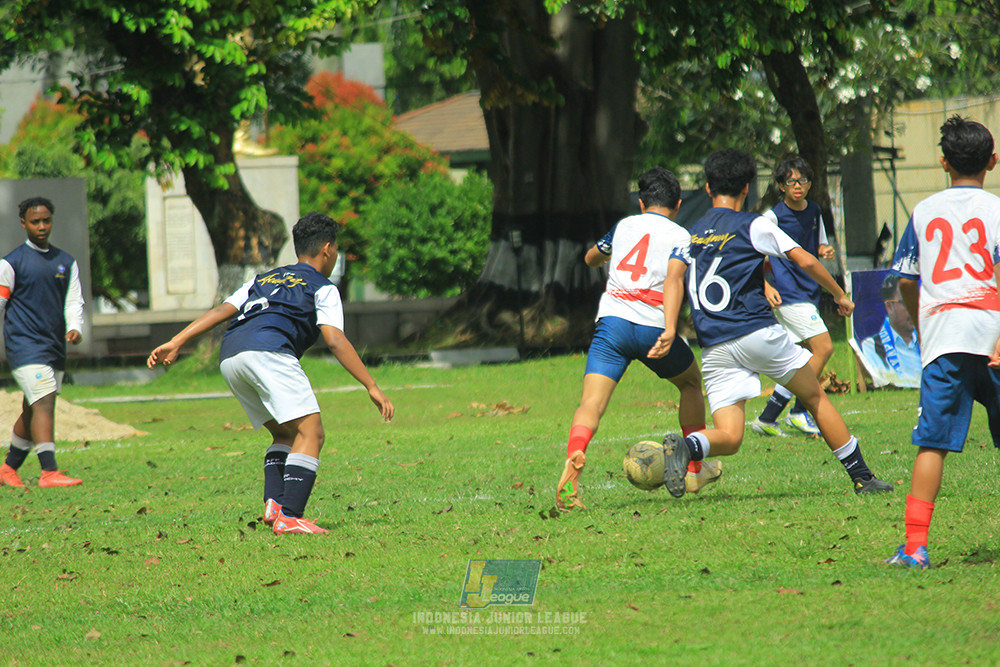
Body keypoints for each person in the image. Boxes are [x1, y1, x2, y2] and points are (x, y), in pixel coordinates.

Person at [648, 149, 894, 497]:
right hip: (756, 333)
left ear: (707, 188)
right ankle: (863, 477)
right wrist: (839, 294)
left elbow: (673, 279)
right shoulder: (753, 225)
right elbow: (805, 260)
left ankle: (688, 447)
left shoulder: (690, 234)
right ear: (746, 188)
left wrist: (671, 328)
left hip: (715, 346)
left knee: (730, 436)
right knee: (814, 397)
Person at [147, 212, 394, 534]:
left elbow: (223, 310)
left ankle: (275, 504)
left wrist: (177, 341)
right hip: (269, 352)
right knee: (312, 433)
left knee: (284, 433)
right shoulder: (323, 287)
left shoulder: (265, 278)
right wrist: (371, 385)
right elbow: (334, 339)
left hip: (231, 355)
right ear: (328, 249)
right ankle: (290, 516)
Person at [554, 167, 720, 511]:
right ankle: (693, 469)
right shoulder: (681, 234)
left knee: (591, 404)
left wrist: (603, 255)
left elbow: (590, 257)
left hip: (612, 326)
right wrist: (671, 327)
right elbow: (674, 280)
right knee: (690, 384)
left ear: (641, 202)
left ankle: (572, 471)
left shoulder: (624, 226)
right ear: (678, 204)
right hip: (653, 327)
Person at [885, 116, 1000, 568]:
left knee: (932, 443)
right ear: (993, 161)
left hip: (945, 341)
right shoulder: (996, 210)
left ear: (943, 162)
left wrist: (921, 322)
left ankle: (915, 547)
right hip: (993, 337)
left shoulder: (924, 211)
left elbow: (906, 279)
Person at [0, 197, 85, 489]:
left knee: (32, 408)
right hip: (25, 346)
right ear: (23, 223)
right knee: (45, 400)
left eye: (46, 220)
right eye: (35, 221)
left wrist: (74, 328)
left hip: (53, 347)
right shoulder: (11, 263)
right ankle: (49, 471)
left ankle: (8, 469)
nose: (41, 226)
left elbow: (73, 301)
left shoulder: (66, 262)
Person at [751, 156, 836, 436]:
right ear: (781, 186)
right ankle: (799, 411)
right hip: (787, 292)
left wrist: (824, 251)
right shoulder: (772, 217)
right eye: (791, 181)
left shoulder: (814, 211)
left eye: (802, 180)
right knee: (824, 348)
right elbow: (752, 253)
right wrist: (765, 286)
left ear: (810, 184)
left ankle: (767, 419)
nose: (797, 185)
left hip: (808, 290)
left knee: (801, 358)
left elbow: (818, 245)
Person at [859, 272, 921, 388]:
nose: (914, 307)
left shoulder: (927, 339)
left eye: (916, 301)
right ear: (889, 307)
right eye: (906, 302)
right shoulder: (872, 346)